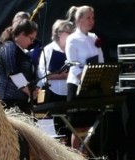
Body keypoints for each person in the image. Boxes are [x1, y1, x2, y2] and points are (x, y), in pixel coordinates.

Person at [64, 5, 102, 150]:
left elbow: (101, 59)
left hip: (91, 86)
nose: (91, 21)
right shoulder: (72, 39)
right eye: (88, 18)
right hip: (77, 85)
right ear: (79, 20)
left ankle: (86, 158)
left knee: (88, 127)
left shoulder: (94, 38)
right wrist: (85, 79)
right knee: (78, 127)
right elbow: (73, 65)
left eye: (93, 18)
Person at [38, 19, 74, 141]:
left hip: (68, 92)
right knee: (54, 128)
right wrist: (61, 76)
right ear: (59, 33)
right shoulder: (48, 49)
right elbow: (42, 74)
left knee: (68, 127)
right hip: (52, 92)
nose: (72, 35)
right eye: (69, 32)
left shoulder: (71, 50)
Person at [0, 19, 37, 114]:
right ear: (22, 34)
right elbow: (13, 72)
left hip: (18, 102)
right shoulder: (9, 46)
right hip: (8, 103)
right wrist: (29, 91)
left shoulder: (19, 50)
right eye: (31, 38)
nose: (32, 42)